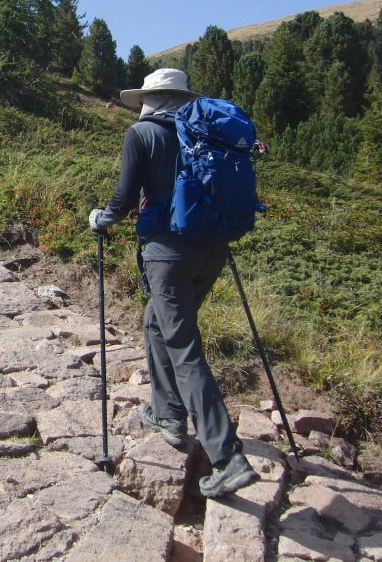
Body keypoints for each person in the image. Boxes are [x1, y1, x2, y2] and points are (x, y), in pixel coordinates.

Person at [88, 68, 259, 499]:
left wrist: (102, 219)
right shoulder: (205, 134)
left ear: (149, 98)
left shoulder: (142, 133)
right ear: (181, 98)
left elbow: (125, 197)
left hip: (167, 254)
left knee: (183, 346)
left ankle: (227, 457)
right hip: (212, 249)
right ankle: (168, 413)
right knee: (156, 324)